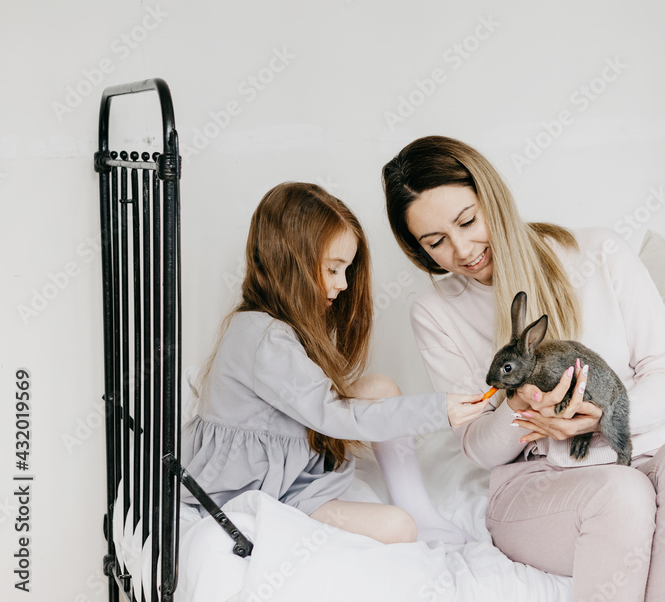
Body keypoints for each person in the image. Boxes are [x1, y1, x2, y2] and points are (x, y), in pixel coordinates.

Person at [382, 136, 665, 602]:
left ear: (493, 197)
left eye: (467, 221)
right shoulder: (435, 312)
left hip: (640, 451)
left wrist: (604, 418)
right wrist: (516, 406)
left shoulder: (598, 253)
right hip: (538, 484)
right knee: (622, 493)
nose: (462, 250)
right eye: (436, 242)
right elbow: (477, 449)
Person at [181, 182, 490, 545]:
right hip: (260, 485)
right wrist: (438, 409)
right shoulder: (264, 338)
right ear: (289, 261)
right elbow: (332, 416)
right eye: (333, 269)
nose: (343, 284)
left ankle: (422, 512)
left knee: (379, 388)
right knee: (397, 528)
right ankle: (414, 520)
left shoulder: (269, 324)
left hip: (290, 462)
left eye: (346, 270)